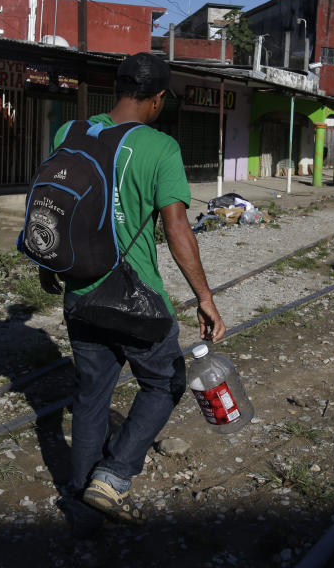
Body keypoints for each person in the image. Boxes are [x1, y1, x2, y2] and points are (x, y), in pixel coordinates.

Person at [44, 52, 225, 529]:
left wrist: (47, 262)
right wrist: (204, 297)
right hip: (135, 299)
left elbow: (51, 201)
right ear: (158, 98)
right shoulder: (160, 147)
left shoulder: (70, 133)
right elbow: (177, 228)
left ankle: (82, 499)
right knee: (164, 383)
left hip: (79, 292)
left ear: (117, 87)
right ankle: (113, 476)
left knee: (90, 394)